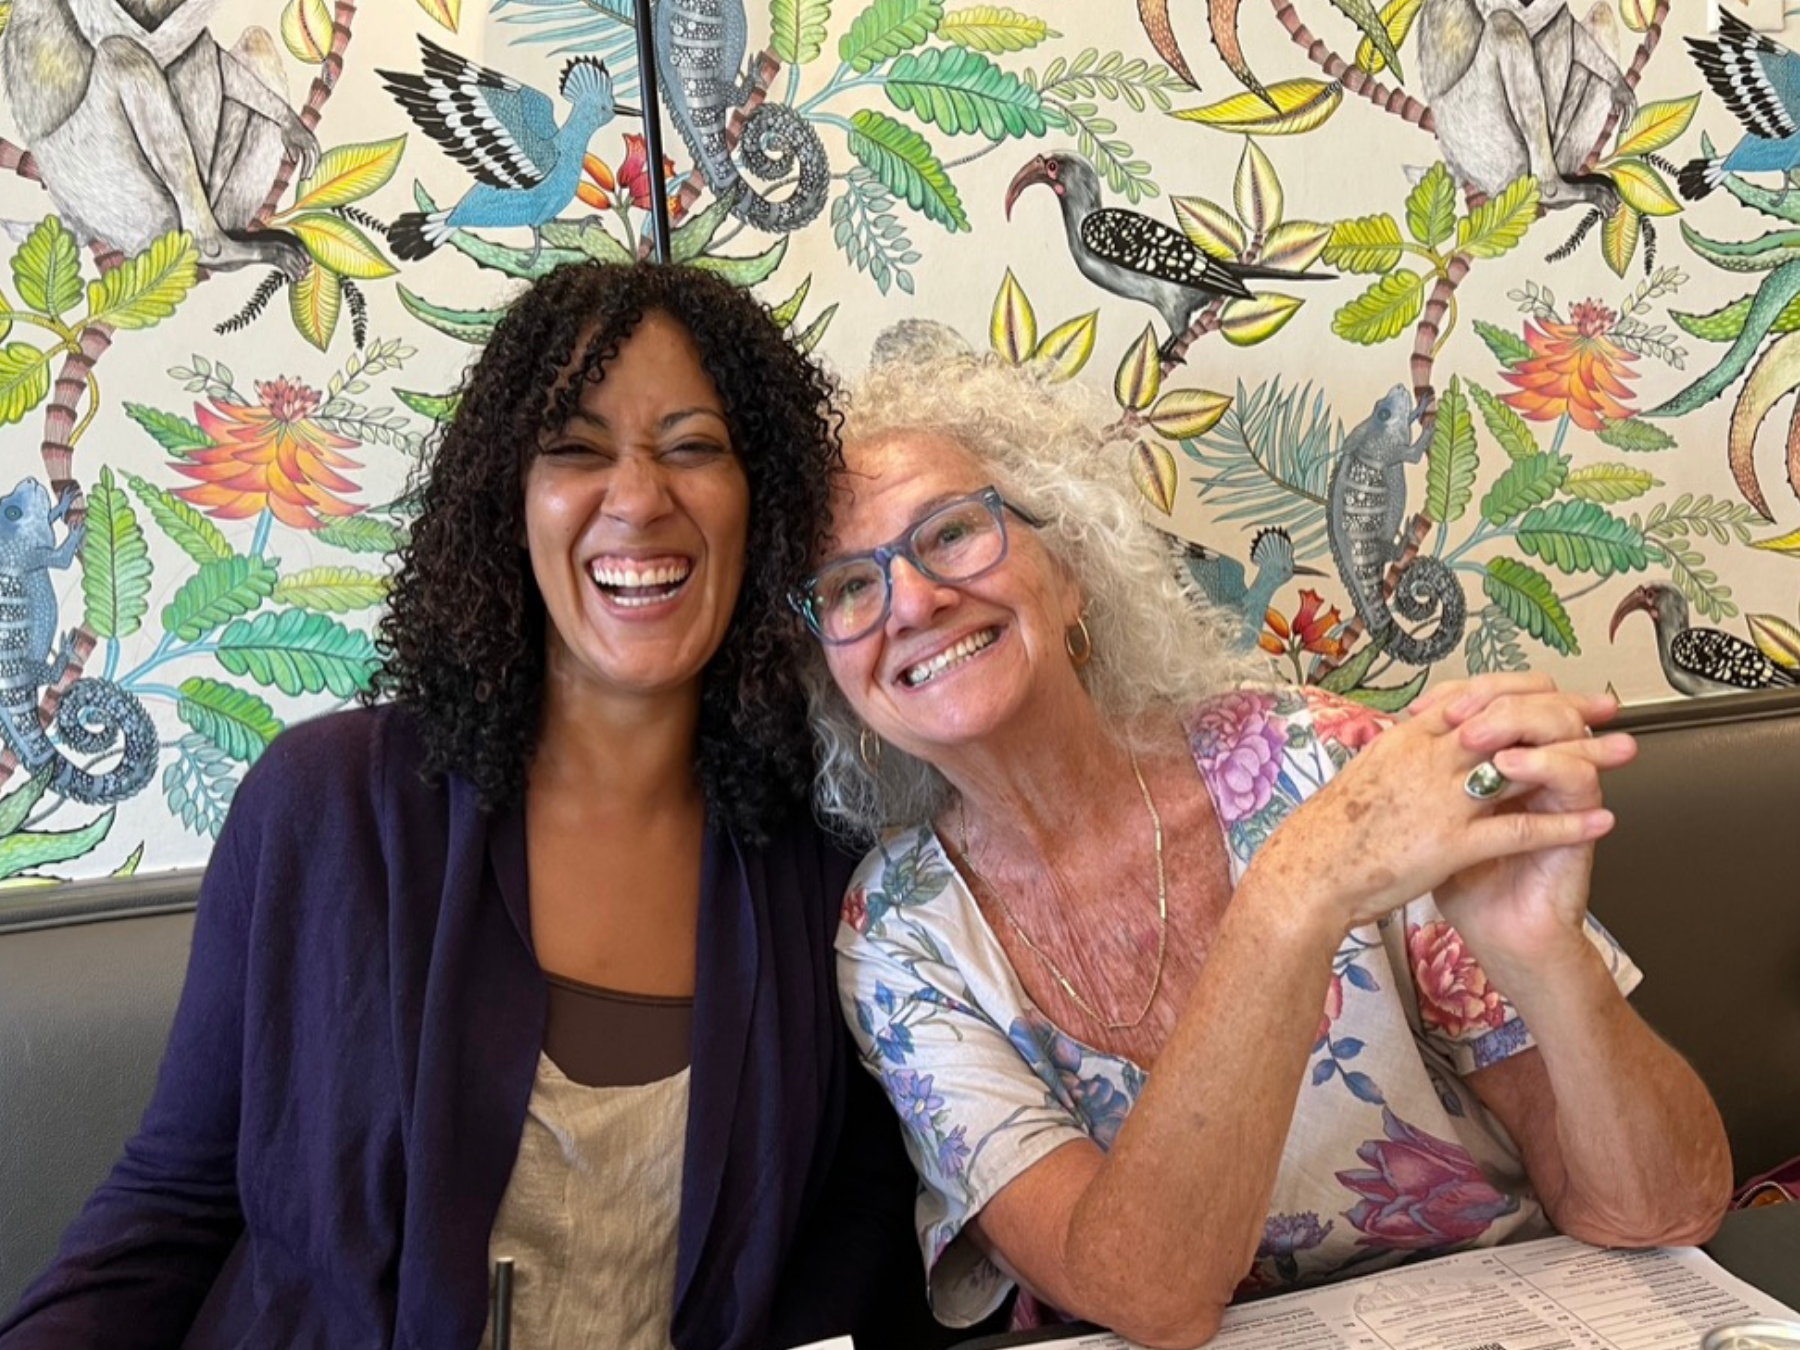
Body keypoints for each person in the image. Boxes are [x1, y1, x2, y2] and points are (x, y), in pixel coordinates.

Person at [0, 262, 937, 1350]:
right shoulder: (328, 808)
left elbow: (857, 1244)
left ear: (762, 499)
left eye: (693, 446)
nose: (638, 498)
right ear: (510, 499)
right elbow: (173, 1205)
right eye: (577, 450)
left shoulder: (830, 862)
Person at [795, 351, 1734, 1346]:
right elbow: (1146, 1296)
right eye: (849, 587)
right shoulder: (899, 936)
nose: (913, 599)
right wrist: (1293, 897)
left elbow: (1658, 1212)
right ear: (837, 679)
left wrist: (1544, 958)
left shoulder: (1331, 767)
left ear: (1070, 570)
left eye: (952, 532)